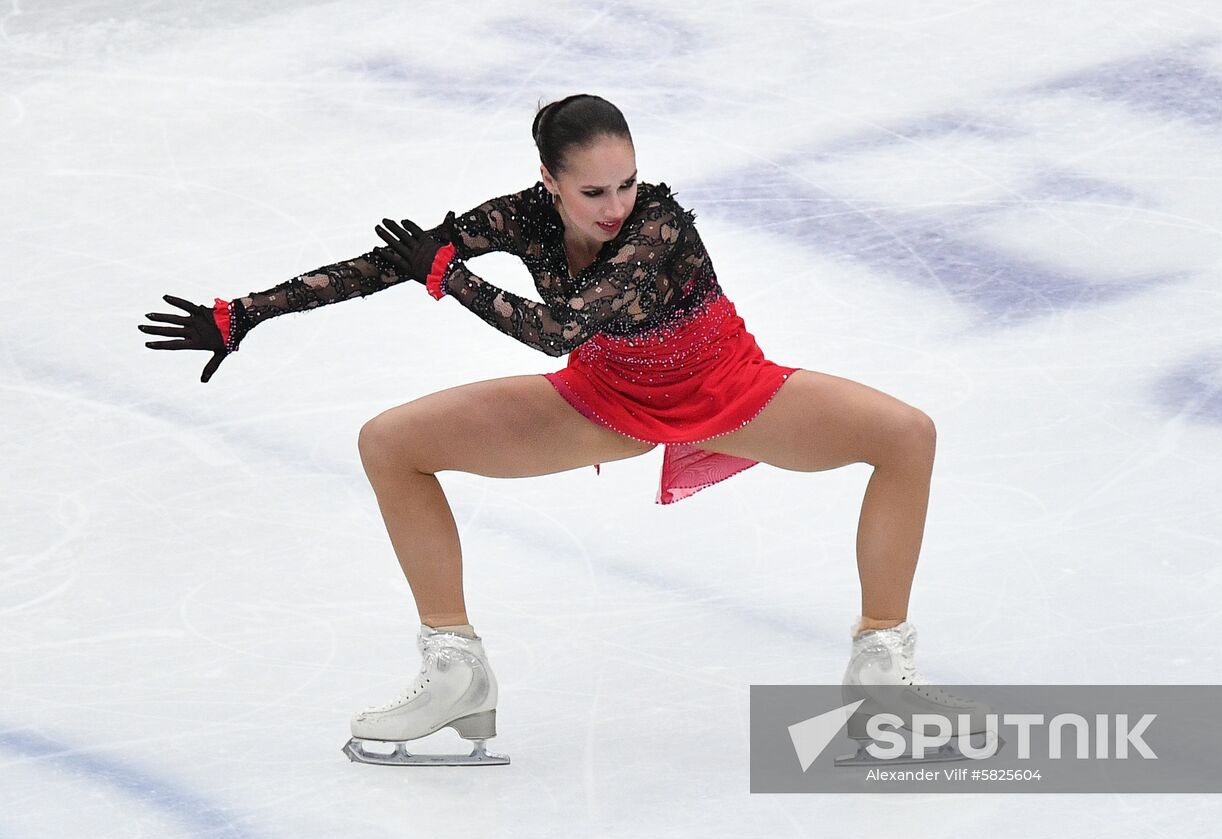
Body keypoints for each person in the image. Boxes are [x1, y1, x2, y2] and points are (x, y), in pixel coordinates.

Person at [139, 93, 979, 766]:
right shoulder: (520, 219)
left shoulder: (659, 223)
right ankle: (455, 669)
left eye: (626, 182)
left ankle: (879, 668)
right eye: (593, 191)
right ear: (548, 182)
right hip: (605, 400)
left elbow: (561, 325)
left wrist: (453, 281)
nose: (616, 204)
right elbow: (392, 263)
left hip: (728, 388)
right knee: (390, 442)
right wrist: (247, 311)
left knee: (907, 435)